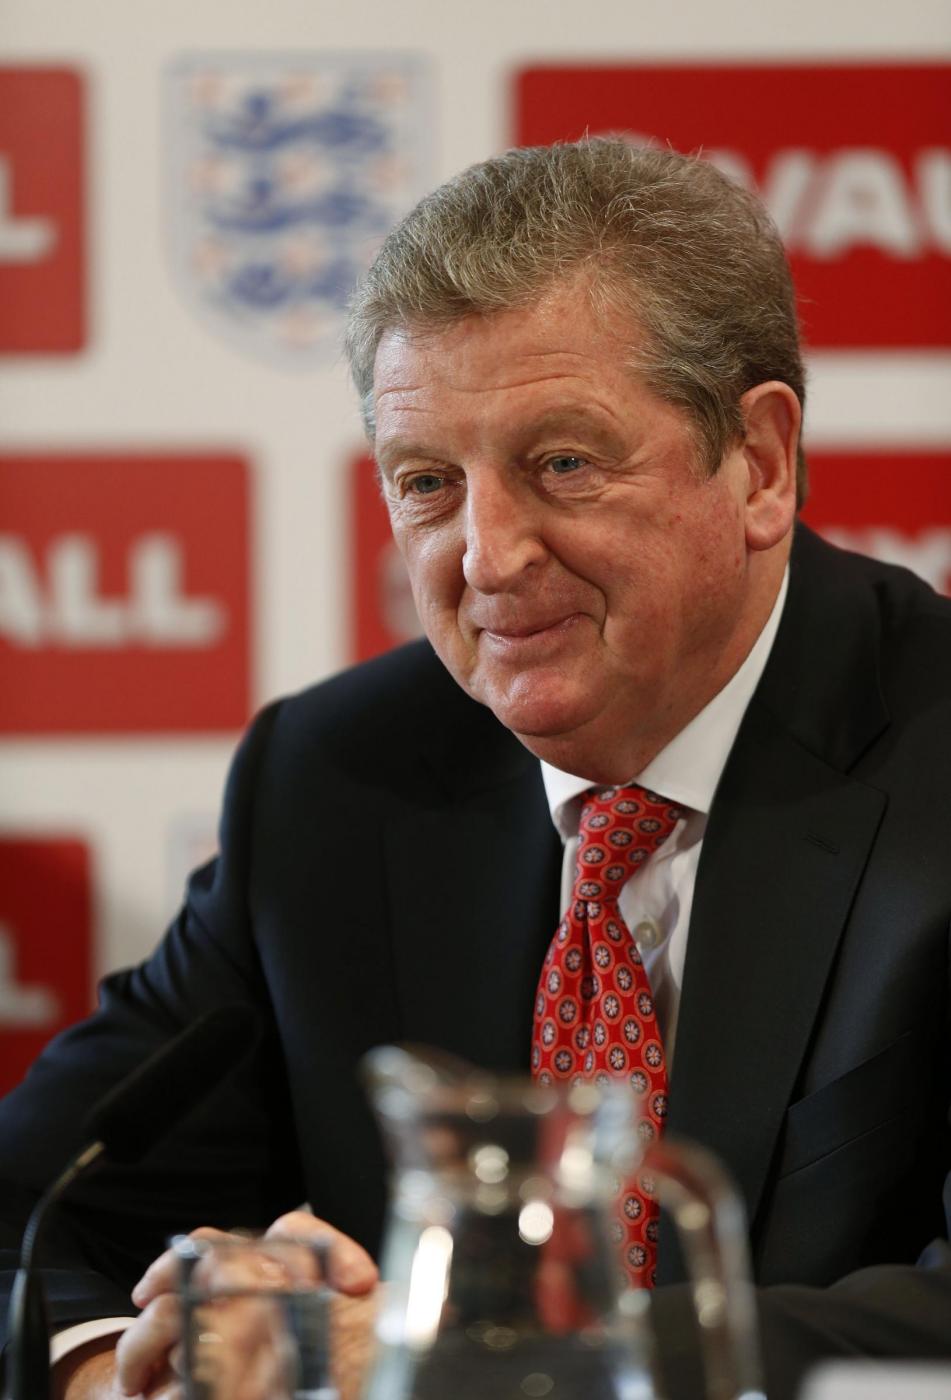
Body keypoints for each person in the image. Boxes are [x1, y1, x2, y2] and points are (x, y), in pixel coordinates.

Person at [1, 138, 949, 1400]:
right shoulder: (335, 780)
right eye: (429, 483)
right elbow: (33, 1201)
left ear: (761, 462)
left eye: (563, 463)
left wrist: (473, 1359)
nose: (488, 557)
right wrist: (123, 1367)